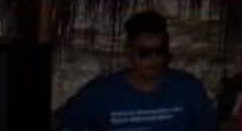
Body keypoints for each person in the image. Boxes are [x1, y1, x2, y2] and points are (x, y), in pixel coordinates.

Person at [54, 12, 215, 131]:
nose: (154, 59)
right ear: (129, 52)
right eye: (145, 53)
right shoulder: (100, 94)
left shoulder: (188, 90)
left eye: (160, 51)